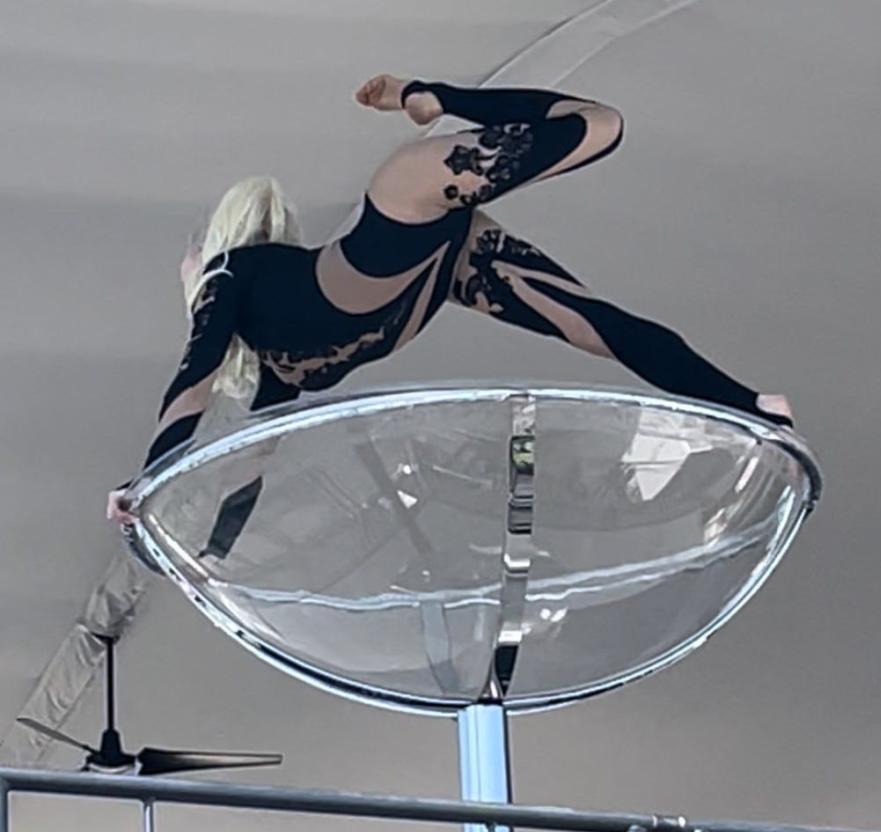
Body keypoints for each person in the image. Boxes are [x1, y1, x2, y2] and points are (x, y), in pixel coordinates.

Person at [107, 76, 793, 540]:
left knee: (598, 127)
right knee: (587, 323)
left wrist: (146, 482)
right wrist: (208, 556)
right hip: (437, 265)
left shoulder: (231, 273)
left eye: (193, 254)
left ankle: (431, 95)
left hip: (397, 217)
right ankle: (754, 404)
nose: (188, 260)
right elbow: (247, 465)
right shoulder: (278, 374)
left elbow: (192, 382)